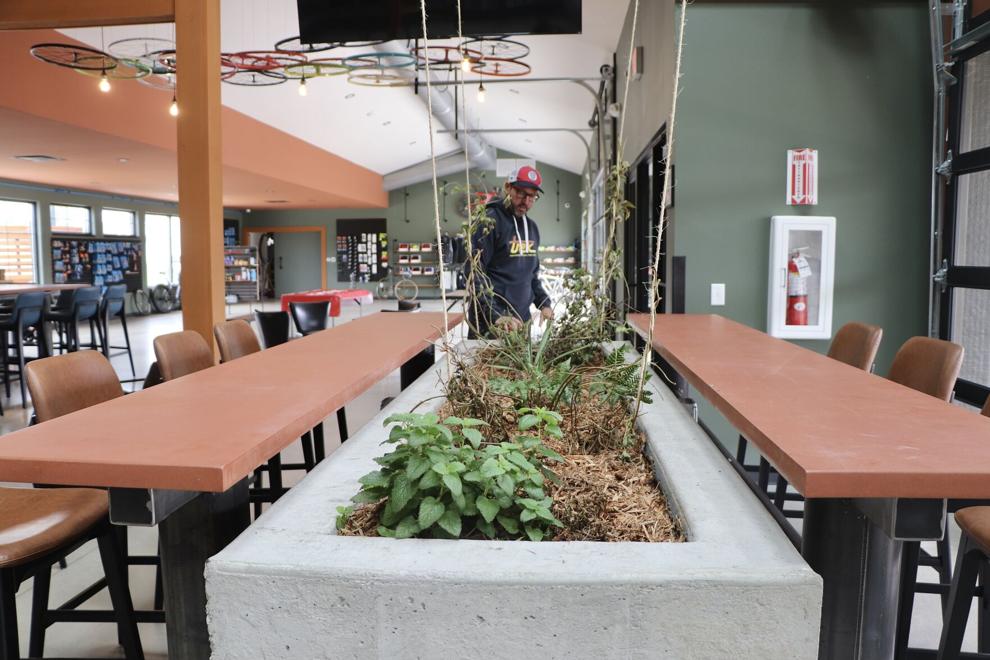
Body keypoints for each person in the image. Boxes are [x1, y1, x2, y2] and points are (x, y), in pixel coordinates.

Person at [468, 165, 554, 337]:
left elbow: (531, 275)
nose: (526, 201)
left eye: (532, 196)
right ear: (508, 187)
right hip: (493, 323)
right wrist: (496, 316)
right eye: (521, 193)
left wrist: (544, 303)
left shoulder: (532, 228)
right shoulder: (488, 221)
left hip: (521, 322)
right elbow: (474, 273)